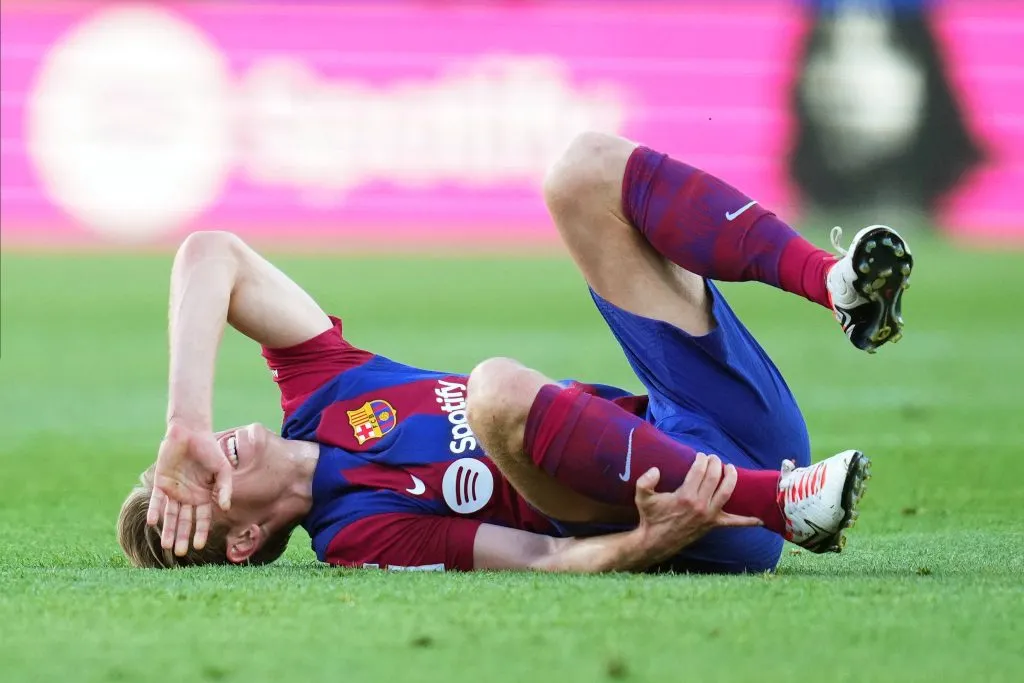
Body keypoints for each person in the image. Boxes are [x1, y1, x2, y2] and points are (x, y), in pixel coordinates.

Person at [118, 132, 913, 574]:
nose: (209, 459)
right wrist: (648, 541)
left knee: (581, 172)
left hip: (711, 425)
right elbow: (532, 555)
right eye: (194, 493)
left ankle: (835, 285)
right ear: (247, 536)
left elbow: (212, 251)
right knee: (495, 390)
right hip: (703, 515)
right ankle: (783, 503)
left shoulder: (318, 386)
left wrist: (184, 419)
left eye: (186, 467)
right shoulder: (354, 534)